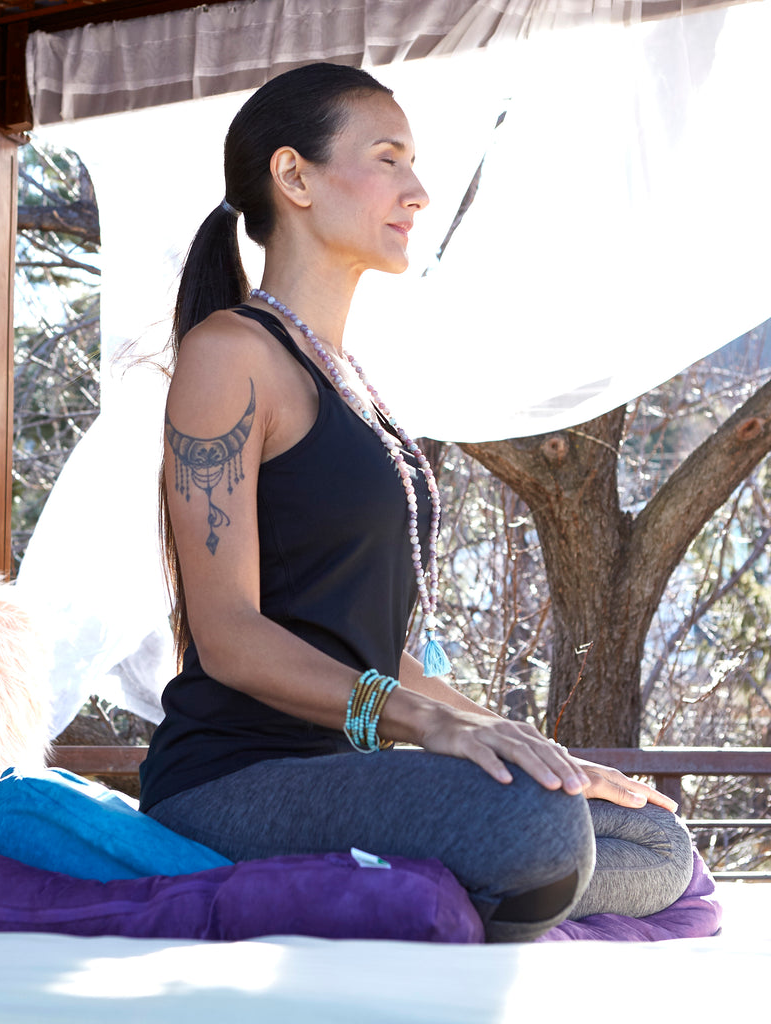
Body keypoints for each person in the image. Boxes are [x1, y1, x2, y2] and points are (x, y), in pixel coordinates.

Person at [138, 62, 694, 942]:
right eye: (389, 159)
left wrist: (521, 740)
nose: (419, 191)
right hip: (231, 783)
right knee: (537, 827)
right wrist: (429, 727)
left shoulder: (352, 383)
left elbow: (372, 653)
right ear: (295, 178)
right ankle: (449, 884)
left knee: (652, 835)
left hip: (345, 773)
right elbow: (229, 637)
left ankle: (430, 886)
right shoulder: (229, 353)